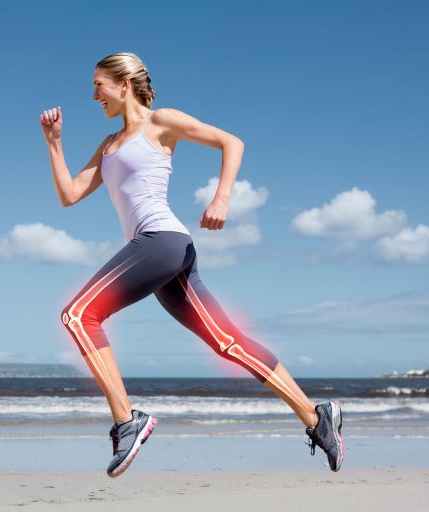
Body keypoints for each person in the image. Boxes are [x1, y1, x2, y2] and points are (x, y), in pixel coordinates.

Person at [40, 51, 344, 478]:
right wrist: (54, 144)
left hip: (162, 241)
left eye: (98, 85)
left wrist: (221, 197)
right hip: (164, 252)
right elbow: (69, 194)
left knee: (78, 315)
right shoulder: (108, 145)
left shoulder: (160, 121)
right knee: (228, 343)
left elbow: (231, 142)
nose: (94, 95)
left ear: (124, 84)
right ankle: (317, 417)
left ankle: (128, 421)